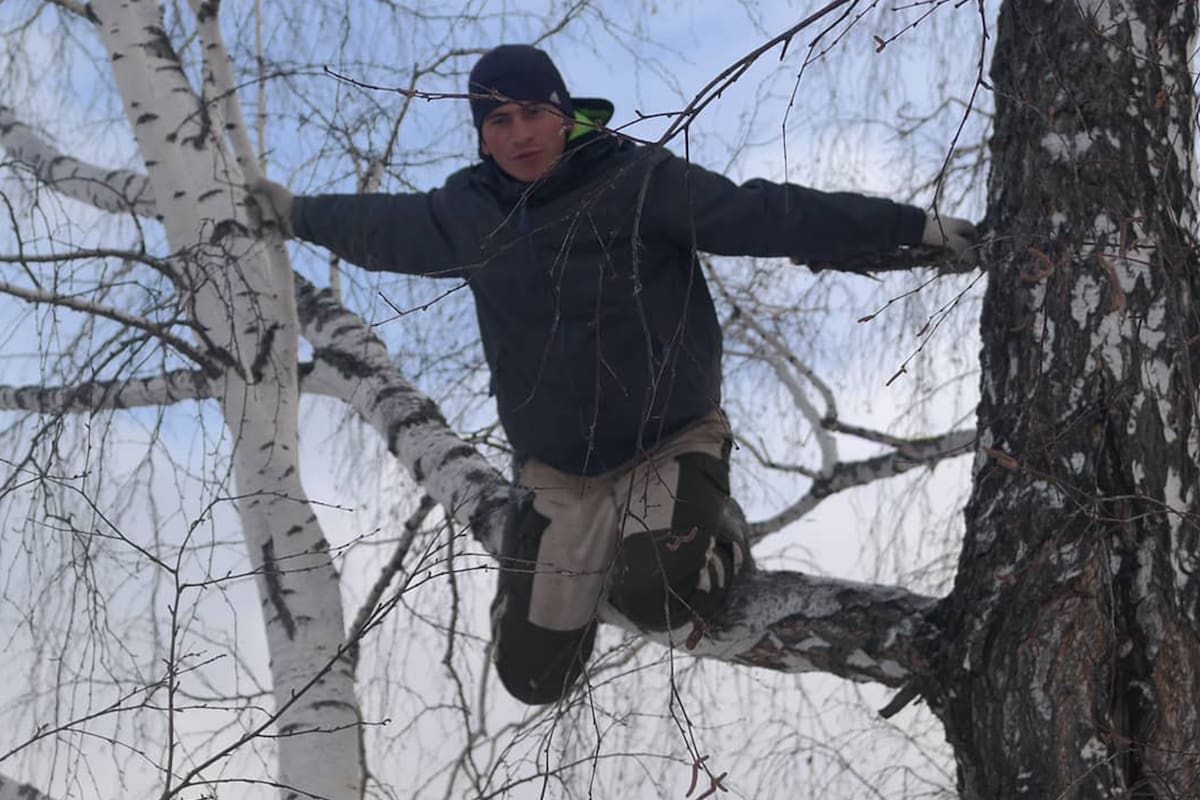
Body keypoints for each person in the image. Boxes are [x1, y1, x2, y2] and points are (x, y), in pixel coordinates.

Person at [248, 44, 977, 706]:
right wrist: (295, 213)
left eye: (533, 112)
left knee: (664, 597)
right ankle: (534, 562)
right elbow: (377, 228)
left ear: (564, 115)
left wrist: (907, 227)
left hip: (668, 441)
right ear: (481, 134)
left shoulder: (636, 181)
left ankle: (717, 532)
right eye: (497, 120)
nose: (519, 134)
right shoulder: (468, 216)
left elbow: (768, 214)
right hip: (561, 476)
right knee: (533, 679)